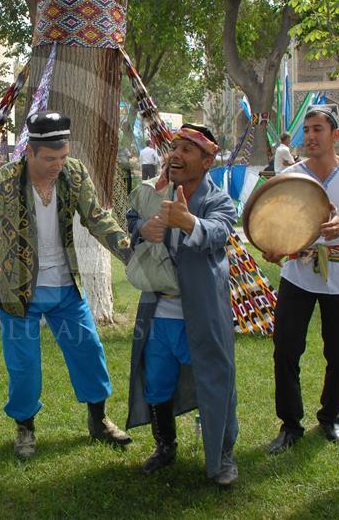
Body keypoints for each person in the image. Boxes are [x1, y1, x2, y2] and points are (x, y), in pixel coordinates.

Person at [0, 111, 134, 459]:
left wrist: (127, 250)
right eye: (50, 158)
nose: (58, 164)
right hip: (17, 290)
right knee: (24, 367)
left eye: (63, 156)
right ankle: (25, 428)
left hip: (65, 288)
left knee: (89, 351)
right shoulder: (3, 181)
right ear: (30, 152)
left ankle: (98, 420)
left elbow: (97, 218)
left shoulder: (73, 174)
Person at [125, 124, 239, 486]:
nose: (175, 154)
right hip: (158, 314)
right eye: (174, 147)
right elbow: (132, 219)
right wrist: (143, 227)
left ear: (207, 161)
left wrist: (187, 221)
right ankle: (165, 446)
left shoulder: (218, 200)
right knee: (156, 382)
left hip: (202, 313)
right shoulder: (153, 192)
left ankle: (222, 454)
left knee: (215, 381)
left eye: (187, 150)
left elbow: (220, 231)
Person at [264, 105, 339, 454]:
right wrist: (275, 248)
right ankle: (290, 424)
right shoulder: (292, 175)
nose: (310, 137)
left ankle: (331, 417)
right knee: (286, 350)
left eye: (318, 130)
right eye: (307, 131)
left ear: (335, 135)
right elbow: (277, 226)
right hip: (297, 275)